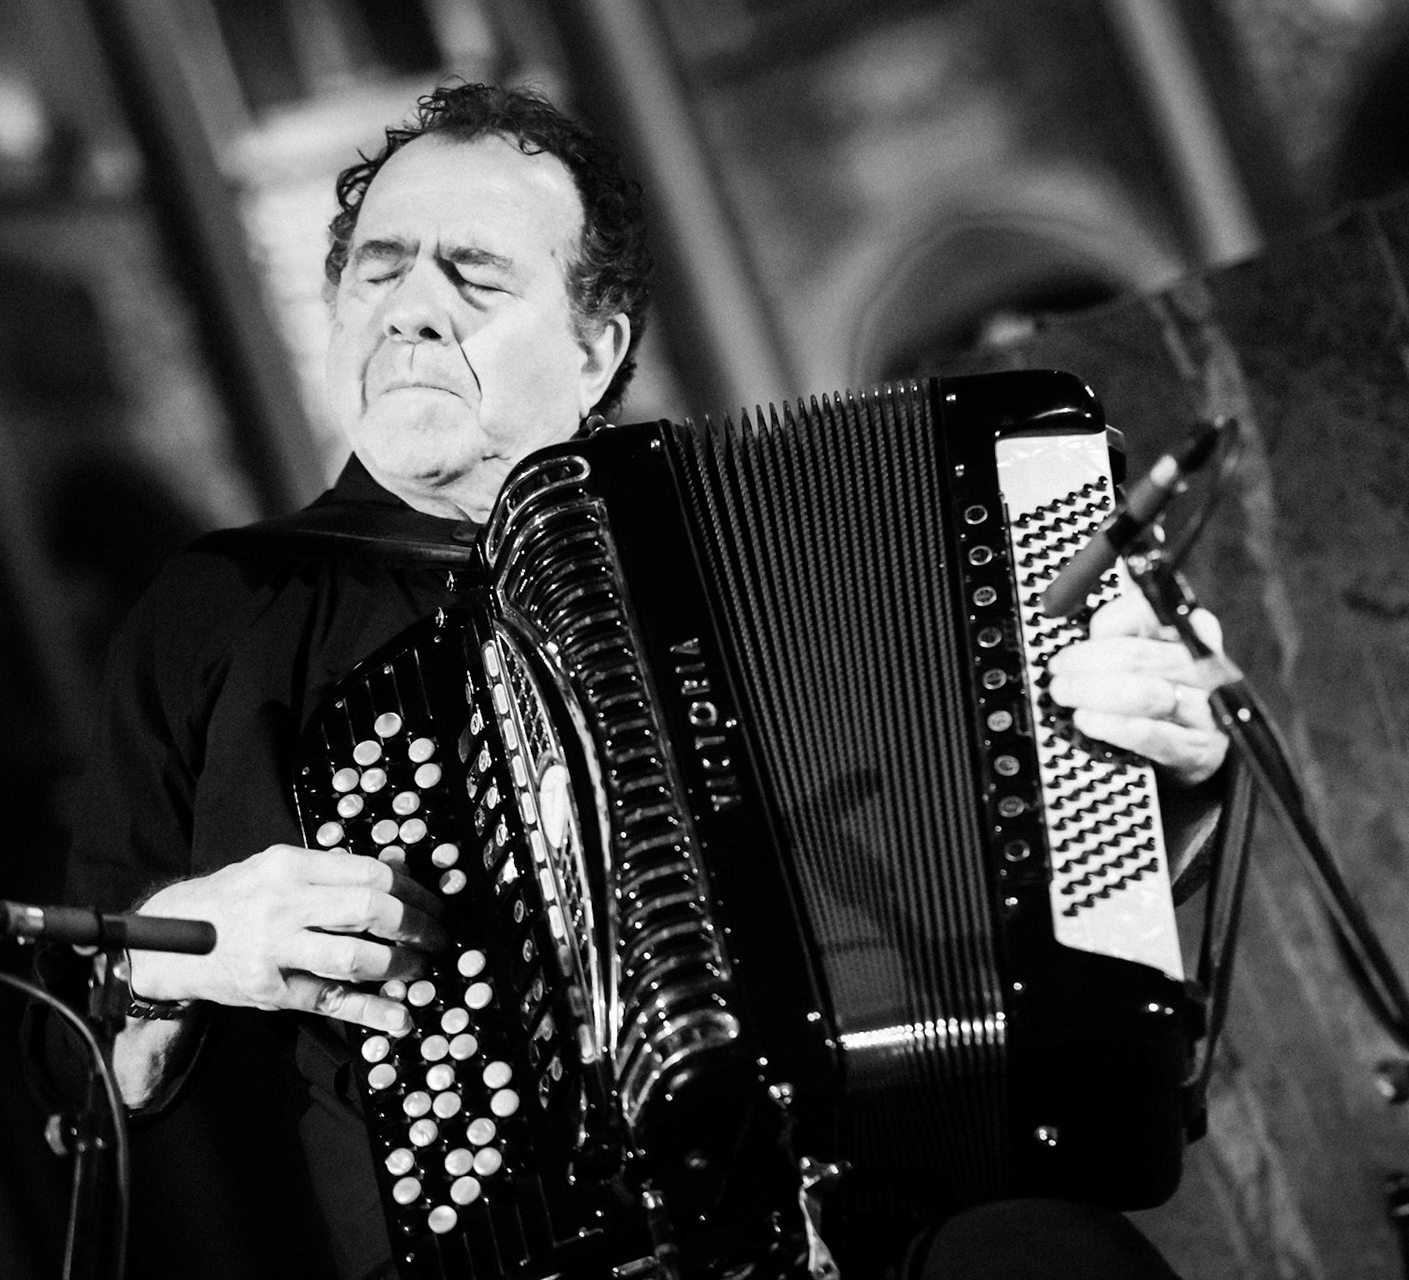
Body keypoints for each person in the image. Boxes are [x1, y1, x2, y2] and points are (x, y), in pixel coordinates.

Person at [68, 81, 1231, 1280]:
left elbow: (1026, 874)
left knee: (1059, 1255)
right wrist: (174, 956)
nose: (411, 308)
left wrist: (1165, 768)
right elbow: (74, 1063)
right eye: (379, 268)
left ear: (595, 349)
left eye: (473, 273)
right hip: (521, 1256)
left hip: (888, 1193)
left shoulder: (784, 540)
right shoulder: (223, 611)